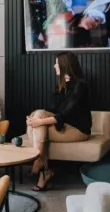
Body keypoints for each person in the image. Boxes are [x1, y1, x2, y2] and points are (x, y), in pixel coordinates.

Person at [26, 51, 92, 191]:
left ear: (64, 65)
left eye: (56, 63)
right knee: (37, 115)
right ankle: (42, 167)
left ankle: (40, 163)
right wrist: (34, 119)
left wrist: (39, 122)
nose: (54, 66)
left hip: (78, 130)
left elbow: (64, 114)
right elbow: (51, 110)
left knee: (37, 124)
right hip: (63, 126)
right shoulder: (61, 85)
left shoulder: (80, 86)